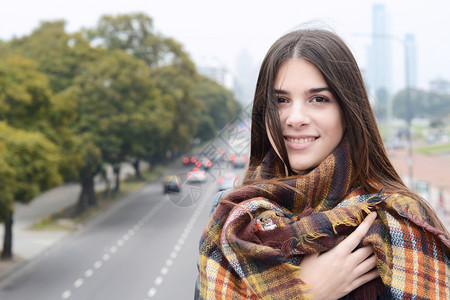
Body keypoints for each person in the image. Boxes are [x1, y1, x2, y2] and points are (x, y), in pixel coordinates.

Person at [197, 28, 449, 299]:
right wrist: (306, 294)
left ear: (348, 110)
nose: (295, 118)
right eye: (280, 100)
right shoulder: (231, 216)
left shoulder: (397, 219)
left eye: (318, 99)